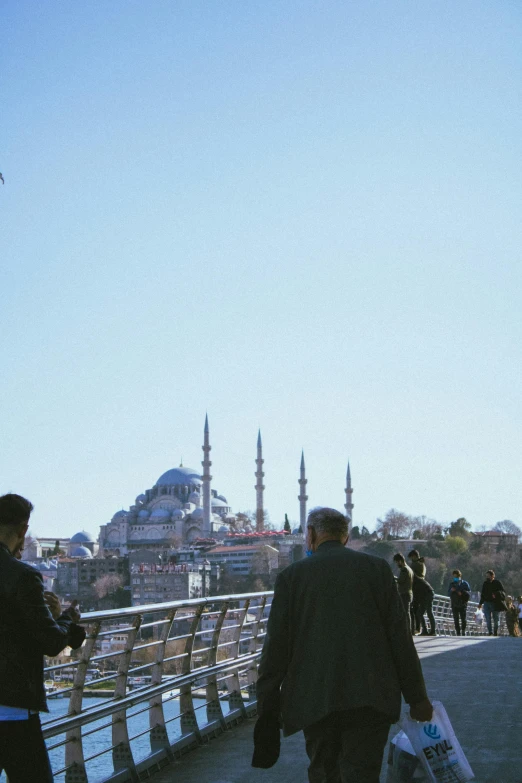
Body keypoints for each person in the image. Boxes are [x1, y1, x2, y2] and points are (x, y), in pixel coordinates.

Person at [253, 507, 432, 783]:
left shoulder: (292, 577)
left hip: (315, 699)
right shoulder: (377, 570)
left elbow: (276, 648)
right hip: (372, 697)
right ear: (345, 537)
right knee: (363, 774)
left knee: (324, 772)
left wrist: (267, 708)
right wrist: (417, 697)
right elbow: (399, 638)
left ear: (310, 534)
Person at [0, 493, 86, 783]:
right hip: (12, 710)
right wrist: (66, 619)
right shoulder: (22, 576)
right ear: (23, 530)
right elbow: (50, 642)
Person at [478, 569, 505, 636]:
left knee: (496, 619)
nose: (487, 577)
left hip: (495, 603)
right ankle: (490, 632)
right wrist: (480, 603)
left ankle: (495, 631)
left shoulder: (497, 583)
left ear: (493, 576)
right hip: (486, 603)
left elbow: (503, 592)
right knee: (488, 618)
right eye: (486, 576)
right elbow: (483, 594)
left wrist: (496, 594)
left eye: (489, 576)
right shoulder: (485, 583)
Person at [393, 553, 414, 633]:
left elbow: (401, 580)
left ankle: (407, 630)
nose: (397, 564)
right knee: (406, 612)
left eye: (397, 562)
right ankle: (409, 629)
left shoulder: (404, 569)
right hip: (409, 592)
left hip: (404, 593)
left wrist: (393, 577)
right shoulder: (409, 569)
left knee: (405, 612)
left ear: (400, 561)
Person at [447, 570, 471, 636]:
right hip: (454, 603)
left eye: (456, 576)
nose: (455, 578)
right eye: (454, 576)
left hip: (463, 603)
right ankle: (458, 631)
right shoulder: (452, 584)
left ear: (460, 576)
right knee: (456, 618)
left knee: (463, 618)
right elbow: (448, 594)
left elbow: (469, 593)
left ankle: (463, 630)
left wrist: (462, 592)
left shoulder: (465, 583)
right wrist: (452, 591)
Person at [407, 550, 426, 631]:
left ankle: (415, 628)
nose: (411, 559)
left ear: (414, 556)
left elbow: (410, 575)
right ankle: (419, 628)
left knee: (414, 610)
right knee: (417, 610)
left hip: (416, 588)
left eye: (411, 557)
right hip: (421, 588)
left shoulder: (415, 564)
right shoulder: (422, 564)